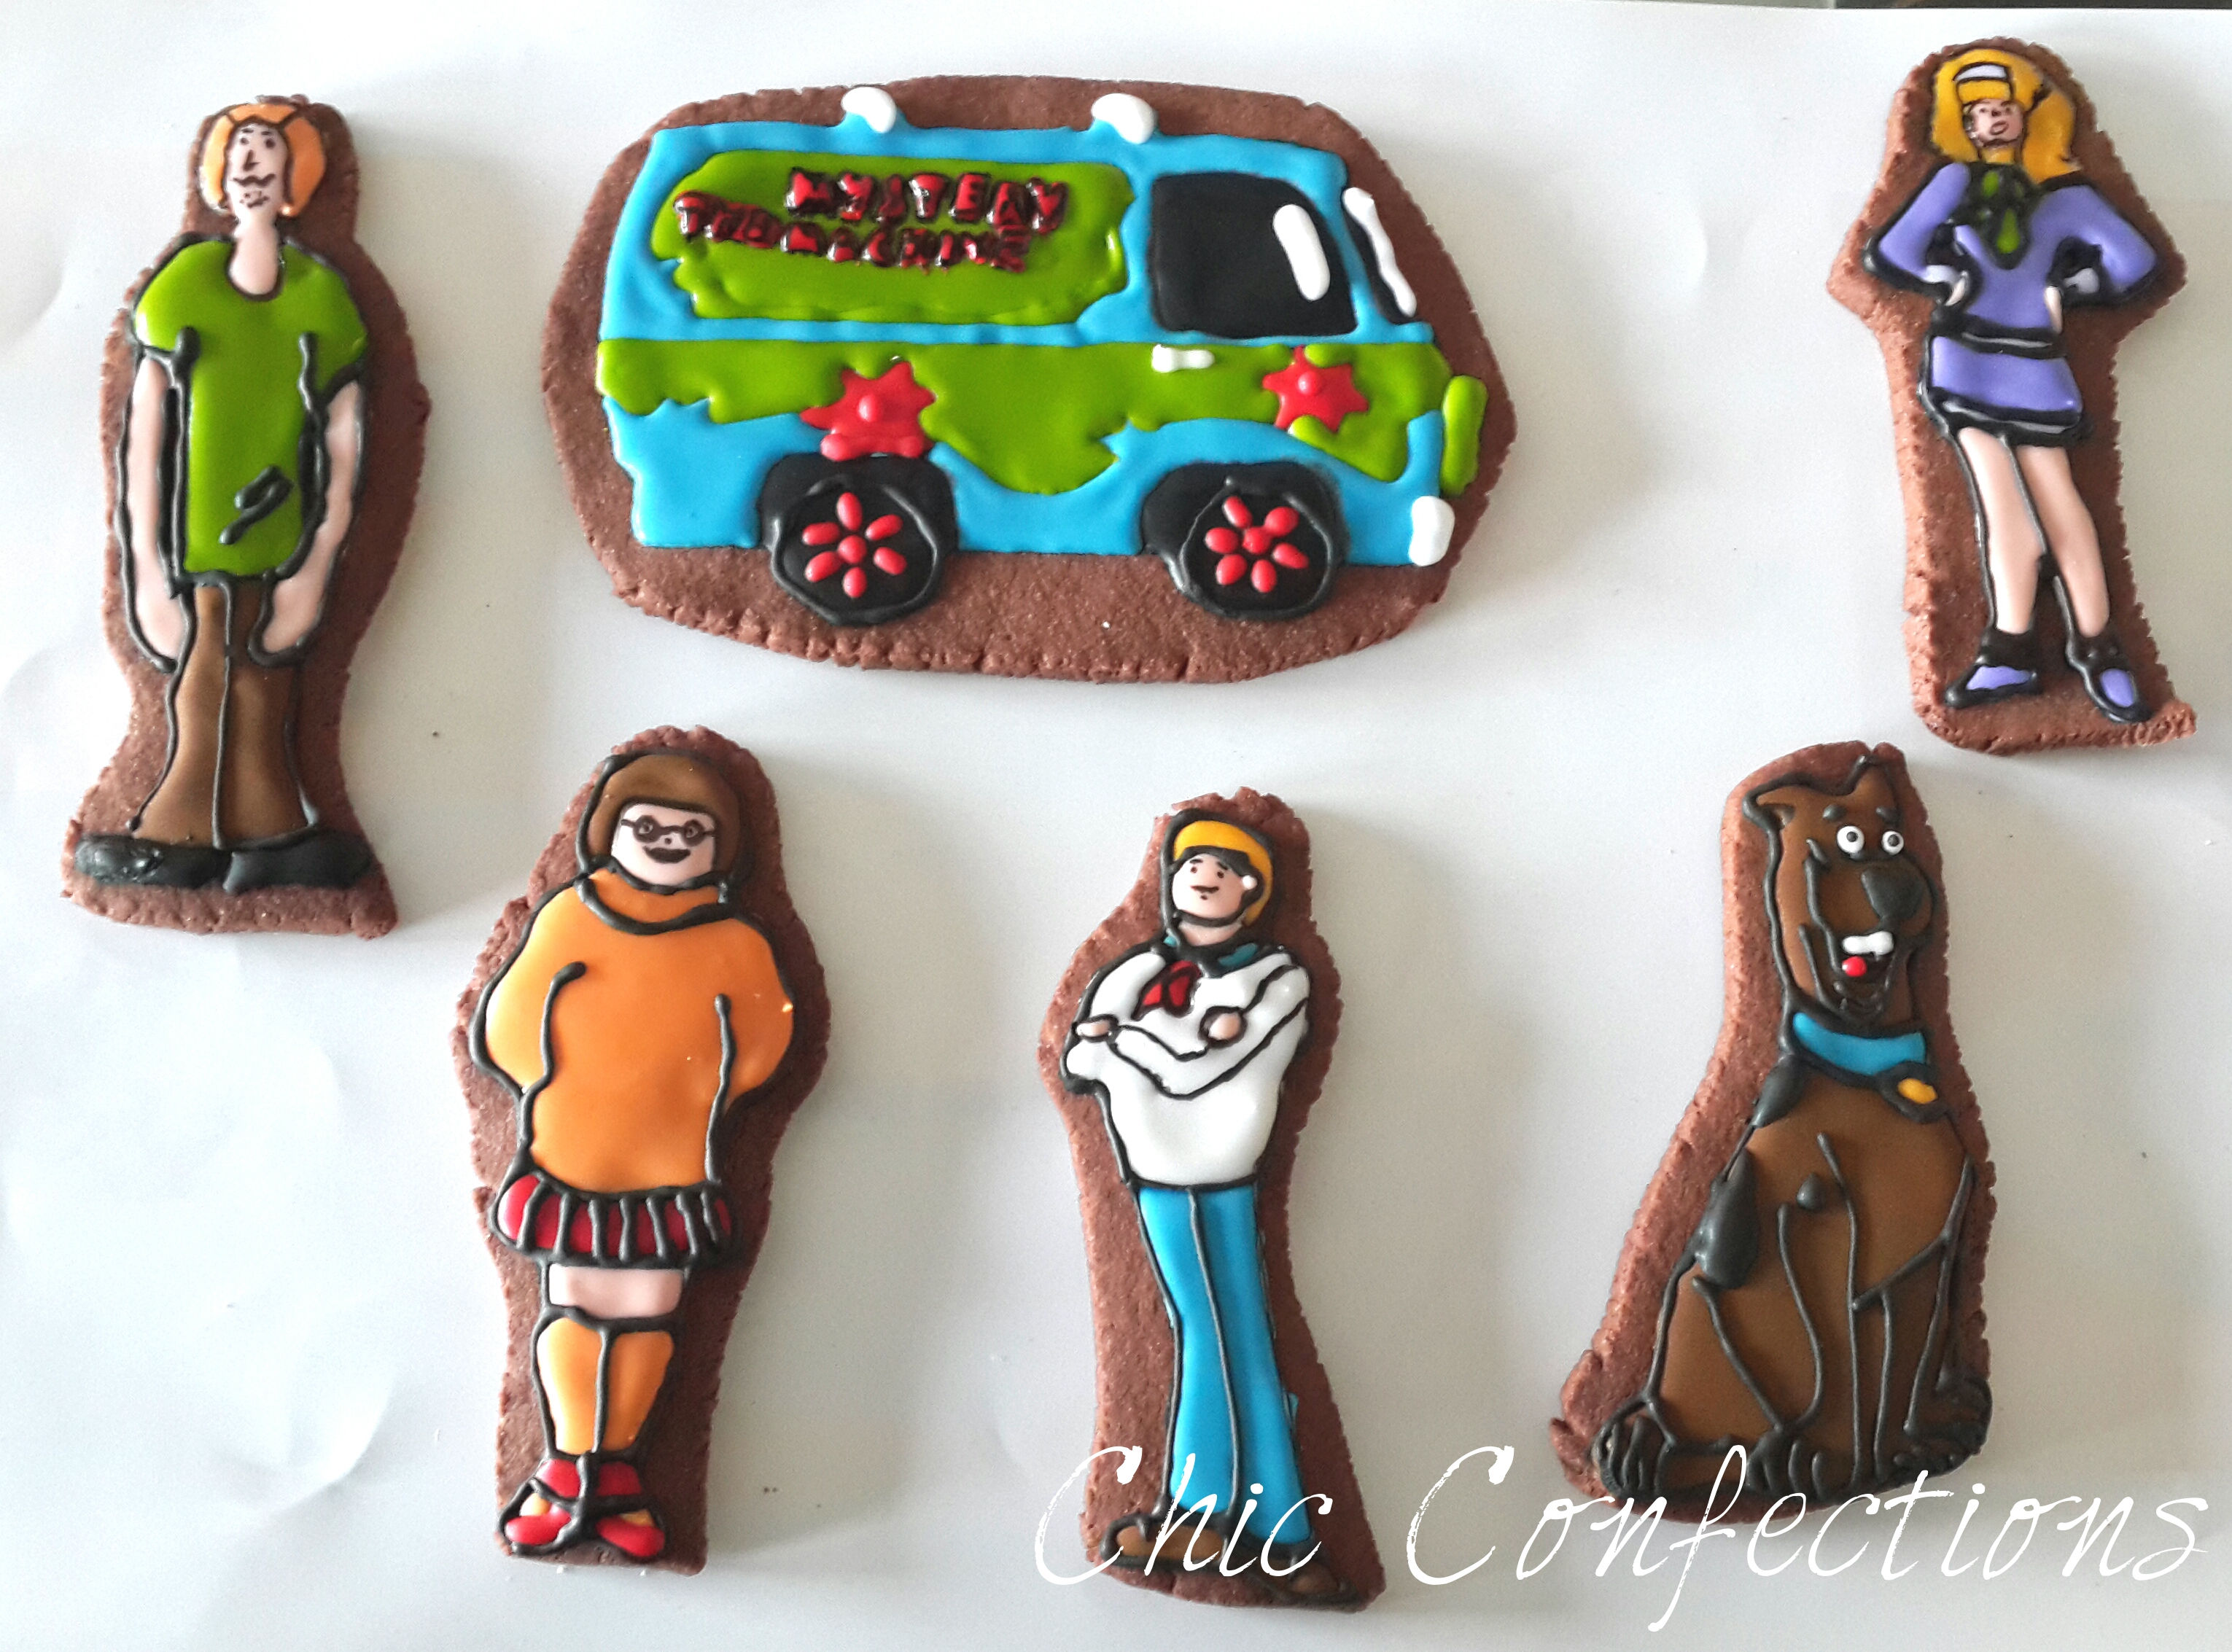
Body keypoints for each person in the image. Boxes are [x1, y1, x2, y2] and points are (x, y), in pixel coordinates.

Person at [473, 750, 795, 1560]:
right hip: (574, 1152)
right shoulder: (572, 916)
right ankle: (563, 1465)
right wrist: (561, 1089)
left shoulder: (733, 940)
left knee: (649, 1311)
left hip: (672, 1166)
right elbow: (512, 1022)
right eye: (647, 827)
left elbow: (762, 1047)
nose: (667, 844)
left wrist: (693, 1100)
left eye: (690, 833)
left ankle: (615, 1470)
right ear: (609, 831)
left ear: (720, 847)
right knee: (575, 1305)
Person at [77, 100, 373, 890]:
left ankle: (264, 833)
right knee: (205, 677)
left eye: (268, 153)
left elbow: (345, 443)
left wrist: (318, 566)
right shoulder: (183, 289)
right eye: (239, 151)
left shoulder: (322, 297)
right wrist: (145, 569)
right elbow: (144, 436)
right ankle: (182, 830)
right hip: (196, 541)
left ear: (297, 179)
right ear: (215, 174)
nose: (250, 167)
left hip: (283, 537)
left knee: (265, 680)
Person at [1062, 815, 1353, 1607]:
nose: (1202, 878)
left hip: (1217, 1168)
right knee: (1225, 1333)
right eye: (1191, 865)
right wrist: (1136, 1044)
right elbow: (1081, 1054)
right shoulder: (1138, 966)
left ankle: (1221, 1516)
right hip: (1151, 1165)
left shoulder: (1278, 977)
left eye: (1221, 869)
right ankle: (1265, 1528)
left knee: (1219, 1332)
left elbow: (1195, 1070)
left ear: (1252, 889)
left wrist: (1126, 1043)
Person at [1866, 49, 2161, 724]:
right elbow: (1892, 251)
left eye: (2003, 108)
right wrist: (1943, 278)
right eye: (1978, 112)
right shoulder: (1950, 183)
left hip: (2034, 359)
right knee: (2001, 513)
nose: (1993, 120)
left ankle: (2099, 648)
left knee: (2062, 505)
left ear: (2028, 116)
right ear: (1961, 123)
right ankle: (2010, 650)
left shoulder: (2065, 195)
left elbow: (2134, 261)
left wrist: (2069, 289)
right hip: (1963, 356)